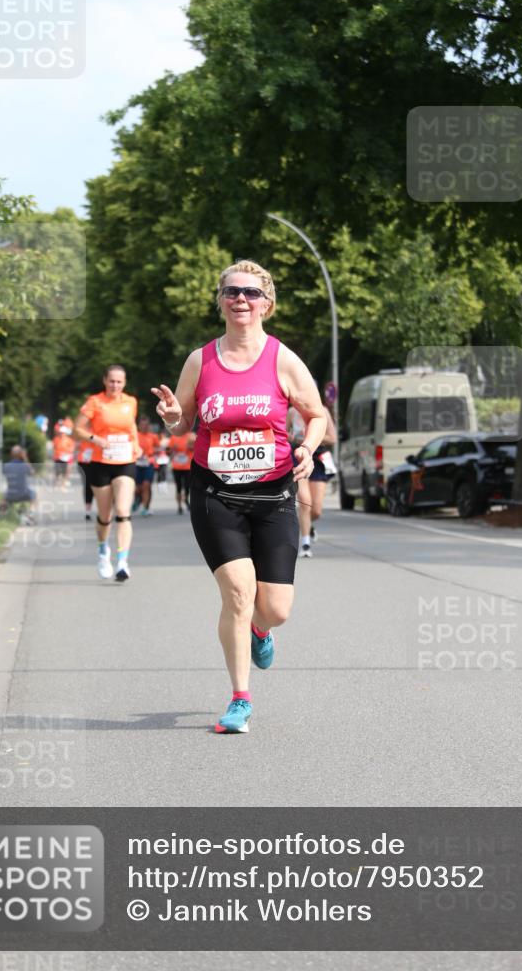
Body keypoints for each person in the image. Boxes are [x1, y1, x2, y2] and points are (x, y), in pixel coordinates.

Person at [152, 259, 326, 734]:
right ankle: (240, 699)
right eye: (232, 292)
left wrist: (307, 448)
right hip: (215, 491)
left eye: (250, 292)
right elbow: (183, 422)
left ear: (266, 303)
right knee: (237, 591)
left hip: (273, 495)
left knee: (275, 608)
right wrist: (170, 414)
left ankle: (260, 631)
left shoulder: (283, 360)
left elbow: (316, 414)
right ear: (221, 302)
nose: (241, 300)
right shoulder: (200, 360)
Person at [74, 365, 141, 582]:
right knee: (105, 516)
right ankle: (103, 551)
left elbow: (131, 428)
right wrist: (95, 440)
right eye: (111, 381)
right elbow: (77, 429)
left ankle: (122, 562)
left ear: (125, 383)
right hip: (100, 462)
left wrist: (137, 446)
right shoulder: (95, 402)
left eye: (119, 382)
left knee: (123, 511)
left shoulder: (130, 402)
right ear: (105, 380)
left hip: (125, 461)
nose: (115, 385)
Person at [287, 400, 337, 557]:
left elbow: (332, 438)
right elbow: (281, 433)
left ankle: (308, 528)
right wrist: (293, 437)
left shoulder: (322, 411)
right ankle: (306, 544)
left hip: (317, 458)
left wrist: (312, 438)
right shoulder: (292, 412)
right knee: (305, 502)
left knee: (316, 510)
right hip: (298, 456)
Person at [3, 445, 36, 523]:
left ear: (11, 454)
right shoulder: (24, 465)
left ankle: (4, 517)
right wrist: (25, 458)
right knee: (34, 495)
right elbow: (32, 472)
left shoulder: (6, 466)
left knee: (3, 499)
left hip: (10, 495)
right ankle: (30, 514)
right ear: (21, 454)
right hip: (24, 494)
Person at [166, 428, 196, 514]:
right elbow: (167, 452)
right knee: (178, 487)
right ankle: (179, 506)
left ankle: (186, 498)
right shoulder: (174, 437)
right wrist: (172, 449)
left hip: (188, 466)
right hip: (176, 466)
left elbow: (197, 447)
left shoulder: (191, 436)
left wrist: (190, 447)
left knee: (187, 486)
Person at [134, 416, 158, 516]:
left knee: (146, 485)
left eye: (146, 425)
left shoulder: (153, 436)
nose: (144, 427)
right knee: (138, 488)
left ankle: (145, 507)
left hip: (149, 463)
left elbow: (159, 448)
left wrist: (155, 453)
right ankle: (138, 498)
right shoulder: (135, 436)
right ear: (139, 426)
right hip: (137, 463)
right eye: (142, 425)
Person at [52, 419, 75, 490]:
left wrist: (66, 452)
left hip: (66, 458)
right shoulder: (56, 439)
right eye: (60, 432)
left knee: (66, 471)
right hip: (57, 457)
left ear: (65, 433)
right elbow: (54, 447)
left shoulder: (69, 440)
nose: (61, 434)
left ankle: (64, 483)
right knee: (57, 471)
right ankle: (57, 482)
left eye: (63, 433)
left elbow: (72, 449)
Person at [76, 436, 95, 521]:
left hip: (98, 460)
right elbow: (76, 444)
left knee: (99, 485)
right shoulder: (81, 428)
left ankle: (106, 510)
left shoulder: (101, 426)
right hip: (84, 461)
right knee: (87, 485)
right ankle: (88, 511)